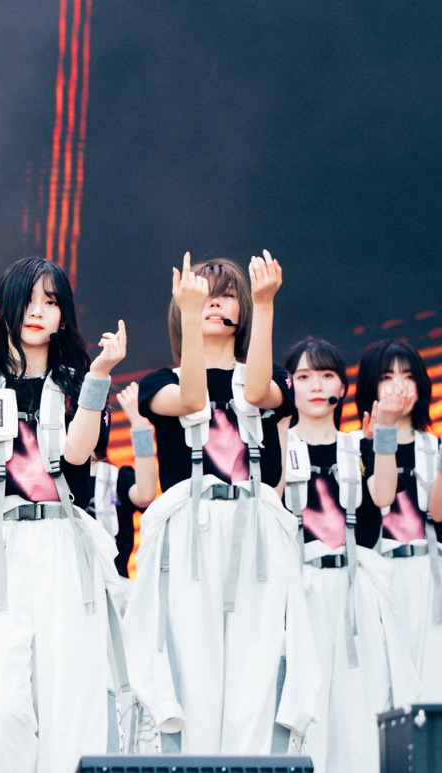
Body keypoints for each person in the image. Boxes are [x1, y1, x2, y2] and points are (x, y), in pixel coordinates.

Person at [121, 252, 317, 754]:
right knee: (192, 669)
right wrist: (189, 317)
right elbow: (191, 400)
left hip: (255, 529)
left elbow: (257, 392)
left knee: (257, 668)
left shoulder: (272, 376)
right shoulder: (159, 382)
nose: (213, 303)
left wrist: (265, 304)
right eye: (204, 295)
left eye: (226, 295)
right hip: (191, 529)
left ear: (241, 309)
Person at [0, 257, 128, 773]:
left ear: (64, 317)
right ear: (1, 309)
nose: (38, 311)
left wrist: (99, 377)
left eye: (50, 302)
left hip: (63, 542)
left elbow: (77, 453)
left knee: (70, 701)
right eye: (27, 299)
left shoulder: (78, 383)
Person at [280, 337, 418, 773]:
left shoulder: (358, 445)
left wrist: (385, 433)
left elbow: (383, 495)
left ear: (342, 386)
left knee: (361, 708)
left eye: (326, 375)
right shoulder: (279, 444)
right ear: (289, 385)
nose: (316, 386)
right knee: (307, 710)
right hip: (298, 592)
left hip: (355, 589)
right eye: (304, 376)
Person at [355, 337, 442, 702]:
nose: (399, 386)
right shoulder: (353, 447)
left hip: (429, 577)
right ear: (371, 386)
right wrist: (382, 433)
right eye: (387, 377)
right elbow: (375, 500)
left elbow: (439, 512)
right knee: (380, 694)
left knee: (441, 688)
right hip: (377, 576)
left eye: (407, 376)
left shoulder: (439, 447)